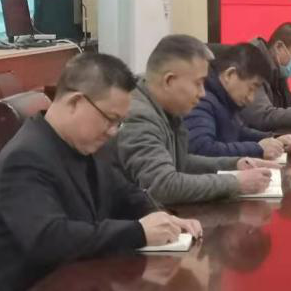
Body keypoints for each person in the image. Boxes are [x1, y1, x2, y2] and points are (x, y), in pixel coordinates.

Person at [0, 52, 201, 291]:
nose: (113, 131)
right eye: (110, 119)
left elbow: (124, 193)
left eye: (119, 123)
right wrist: (138, 232)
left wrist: (162, 218)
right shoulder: (25, 158)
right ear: (75, 102)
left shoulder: (84, 143)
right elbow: (49, 239)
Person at [115, 35, 277, 206]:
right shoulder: (140, 117)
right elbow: (162, 186)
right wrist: (236, 183)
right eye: (198, 83)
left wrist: (235, 164)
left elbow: (181, 162)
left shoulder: (167, 109)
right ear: (169, 81)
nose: (202, 93)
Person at [186, 43, 291, 159]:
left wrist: (274, 139)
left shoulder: (224, 98)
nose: (251, 98)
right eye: (251, 88)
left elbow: (238, 132)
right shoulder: (202, 100)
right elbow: (203, 149)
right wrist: (257, 148)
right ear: (229, 74)